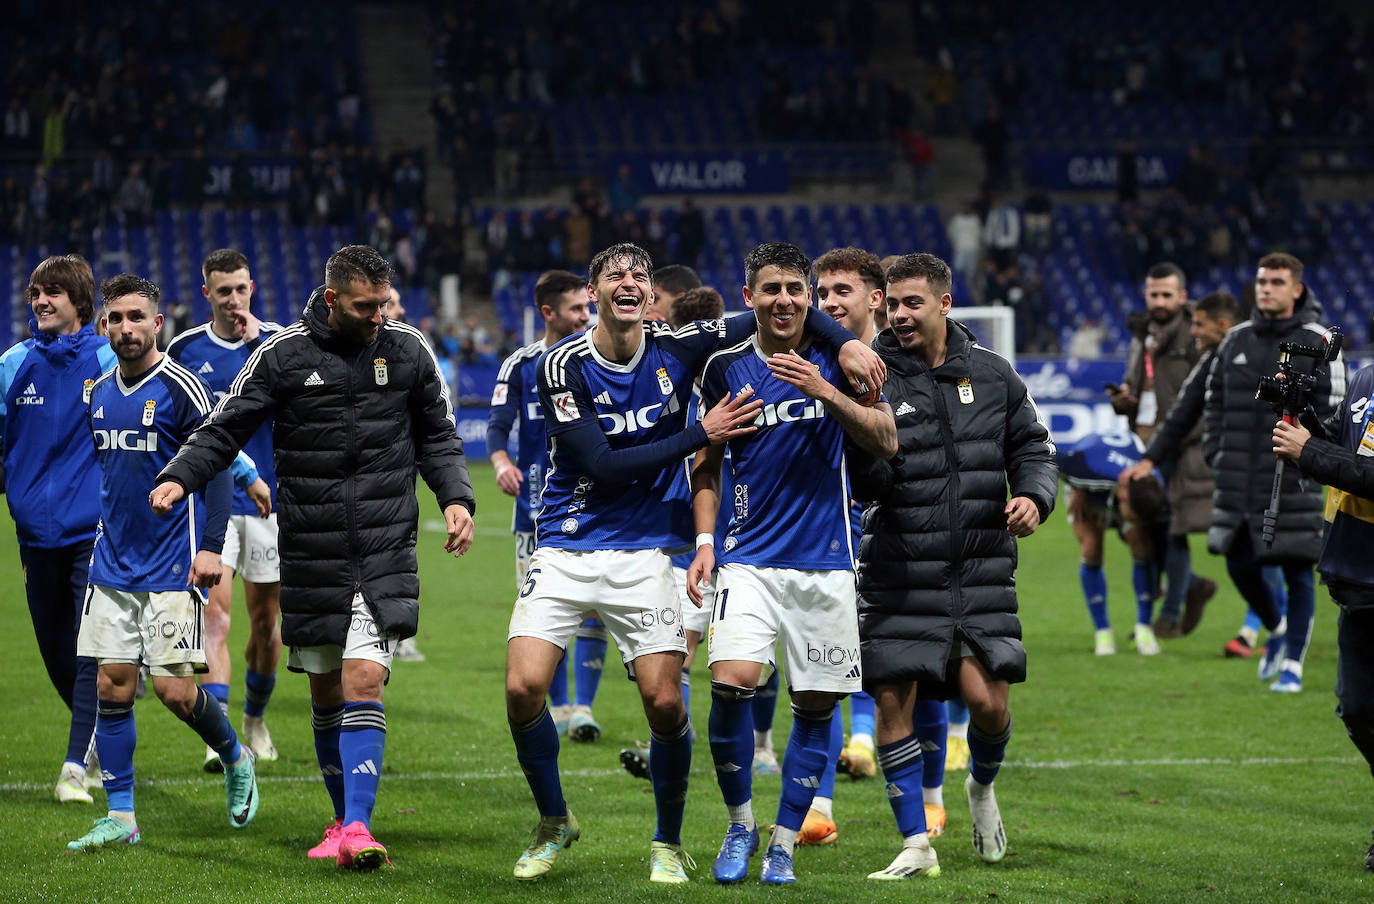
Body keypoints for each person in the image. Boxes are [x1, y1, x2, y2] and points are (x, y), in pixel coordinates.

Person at [503, 242, 881, 884]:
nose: (628, 284)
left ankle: (668, 841)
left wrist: (843, 342)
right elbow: (600, 463)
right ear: (593, 293)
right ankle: (553, 820)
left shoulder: (679, 347)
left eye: (639, 277)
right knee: (521, 688)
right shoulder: (560, 365)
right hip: (568, 541)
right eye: (614, 276)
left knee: (665, 704)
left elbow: (779, 310)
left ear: (650, 295)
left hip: (651, 548)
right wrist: (699, 434)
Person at [152, 244, 476, 869]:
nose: (378, 316)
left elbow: (438, 434)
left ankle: (358, 826)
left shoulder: (407, 350)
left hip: (383, 547)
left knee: (362, 679)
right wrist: (181, 476)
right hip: (311, 547)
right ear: (332, 300)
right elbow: (223, 429)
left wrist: (457, 498)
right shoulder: (284, 356)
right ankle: (340, 820)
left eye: (383, 304)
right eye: (364, 307)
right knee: (325, 693)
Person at [687, 243, 897, 885]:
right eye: (771, 289)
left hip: (828, 562)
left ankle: (782, 841)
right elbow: (707, 462)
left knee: (814, 705)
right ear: (748, 297)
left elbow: (885, 439)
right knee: (732, 681)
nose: (785, 300)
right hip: (748, 559)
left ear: (809, 298)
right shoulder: (724, 366)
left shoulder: (841, 358)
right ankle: (740, 823)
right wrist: (703, 541)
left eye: (796, 290)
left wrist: (826, 391)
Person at [851, 253, 1056, 879]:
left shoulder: (994, 375)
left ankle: (982, 789)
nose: (900, 314)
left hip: (979, 567)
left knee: (988, 704)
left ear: (945, 302)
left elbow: (1033, 448)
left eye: (914, 302)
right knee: (893, 701)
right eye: (892, 302)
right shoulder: (873, 375)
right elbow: (866, 481)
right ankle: (915, 844)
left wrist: (1033, 497)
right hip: (899, 565)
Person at [69, 273, 258, 850]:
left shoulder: (181, 389)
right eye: (116, 318)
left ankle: (234, 753)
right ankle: (122, 817)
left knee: (176, 693)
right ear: (105, 326)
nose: (126, 328)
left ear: (157, 322)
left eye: (136, 317)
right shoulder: (97, 391)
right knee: (113, 686)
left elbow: (219, 465)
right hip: (112, 566)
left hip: (173, 566)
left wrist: (210, 548)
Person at [1198, 253, 1344, 692]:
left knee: (1298, 570)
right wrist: (1216, 453)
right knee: (1239, 564)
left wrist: (1314, 459)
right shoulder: (1236, 339)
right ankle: (1277, 630)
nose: (1266, 288)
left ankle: (1293, 666)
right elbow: (1214, 401)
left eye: (1277, 281)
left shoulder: (1319, 341)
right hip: (1239, 477)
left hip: (1293, 475)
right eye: (1262, 280)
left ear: (1296, 289)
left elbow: (1337, 413)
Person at [1, 254, 115, 803]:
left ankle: (75, 765)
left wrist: (241, 472)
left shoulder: (109, 358)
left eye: (53, 293)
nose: (41, 301)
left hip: (92, 529)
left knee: (87, 645)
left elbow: (179, 416)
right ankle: (101, 733)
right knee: (54, 651)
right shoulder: (14, 364)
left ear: (79, 303)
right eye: (36, 293)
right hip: (33, 537)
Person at [167, 249, 281, 772]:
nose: (233, 299)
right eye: (222, 290)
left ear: (251, 288)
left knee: (267, 625)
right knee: (215, 618)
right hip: (211, 504)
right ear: (206, 293)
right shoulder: (186, 349)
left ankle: (256, 718)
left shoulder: (278, 344)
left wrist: (260, 345)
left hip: (270, 505)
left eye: (240, 289)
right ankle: (221, 736)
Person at [1121, 292, 1274, 650]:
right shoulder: (1209, 356)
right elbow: (1184, 409)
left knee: (1264, 546)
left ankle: (1266, 632)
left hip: (1249, 464)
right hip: (1209, 458)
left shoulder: (1258, 353)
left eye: (1200, 325)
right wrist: (1151, 457)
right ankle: (1262, 625)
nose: (1194, 331)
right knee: (1227, 547)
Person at [487, 270, 603, 738]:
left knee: (594, 608)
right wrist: (499, 463)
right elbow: (497, 427)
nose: (585, 316)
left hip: (596, 507)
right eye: (576, 308)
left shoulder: (601, 355)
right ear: (548, 312)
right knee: (545, 614)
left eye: (587, 307)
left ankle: (585, 708)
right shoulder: (520, 364)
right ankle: (556, 709)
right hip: (535, 512)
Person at [1272, 362, 1374, 870]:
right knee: (1358, 711)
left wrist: (1308, 450)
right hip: (1356, 577)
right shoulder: (1366, 377)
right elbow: (1336, 441)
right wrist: (1298, 412)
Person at [1106, 263, 1216, 642]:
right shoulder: (1142, 333)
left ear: (1182, 297)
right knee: (1137, 527)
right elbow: (1139, 384)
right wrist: (1125, 400)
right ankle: (1194, 585)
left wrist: (1181, 438)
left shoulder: (1193, 333)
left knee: (1172, 529)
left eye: (1167, 294)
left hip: (1180, 447)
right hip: (1143, 444)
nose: (1160, 301)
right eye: (1154, 294)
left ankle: (1167, 618)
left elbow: (1203, 395)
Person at [1059, 432, 1173, 654]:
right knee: (1091, 548)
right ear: (1123, 498)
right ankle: (1102, 633)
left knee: (1141, 542)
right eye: (1133, 516)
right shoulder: (1084, 469)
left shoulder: (1154, 484)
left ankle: (1144, 628)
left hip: (1122, 485)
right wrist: (1077, 487)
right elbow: (1052, 455)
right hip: (1087, 489)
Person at [383, 285, 425, 664]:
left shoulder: (411, 351)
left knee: (402, 550)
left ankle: (401, 633)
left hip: (400, 474)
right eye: (393, 304)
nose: (401, 309)